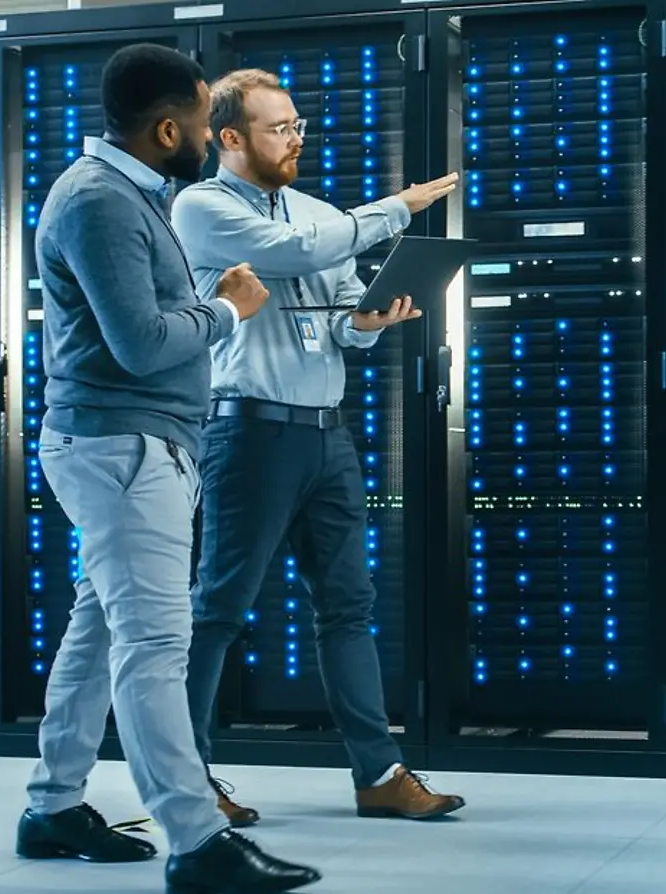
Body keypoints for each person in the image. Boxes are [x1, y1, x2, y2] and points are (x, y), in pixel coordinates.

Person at [16, 43, 321, 894]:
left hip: (134, 447)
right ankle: (199, 840)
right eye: (198, 122)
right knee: (156, 644)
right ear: (164, 128)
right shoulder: (101, 202)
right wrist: (227, 308)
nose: (209, 136)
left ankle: (52, 805)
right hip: (122, 448)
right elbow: (143, 346)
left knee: (101, 633)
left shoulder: (127, 193)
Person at [171, 68, 464, 826]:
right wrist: (396, 209)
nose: (295, 138)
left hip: (326, 435)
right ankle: (188, 778)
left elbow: (332, 305)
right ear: (230, 138)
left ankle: (380, 775)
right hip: (247, 431)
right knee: (220, 608)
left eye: (299, 125)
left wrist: (364, 324)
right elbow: (298, 255)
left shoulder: (315, 211)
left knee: (348, 607)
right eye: (279, 128)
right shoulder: (202, 207)